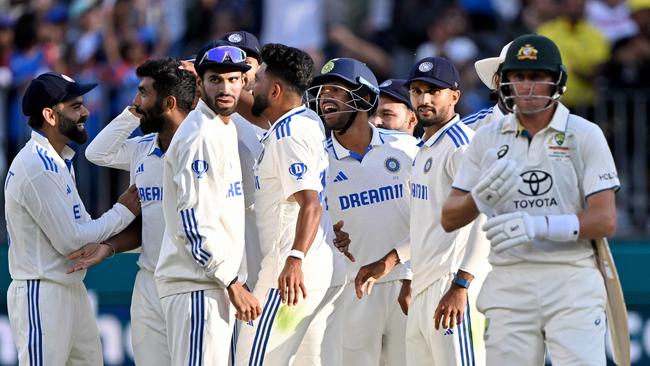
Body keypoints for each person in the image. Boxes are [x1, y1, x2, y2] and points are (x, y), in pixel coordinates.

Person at [442, 34, 619, 365]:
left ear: (557, 81)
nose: (527, 87)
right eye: (518, 77)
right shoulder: (485, 137)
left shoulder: (585, 134)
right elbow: (450, 217)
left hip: (571, 277)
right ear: (504, 81)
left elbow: (605, 220)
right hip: (509, 282)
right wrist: (479, 199)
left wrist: (538, 225)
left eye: (537, 76)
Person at [355, 57, 489, 366]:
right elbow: (429, 226)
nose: (424, 99)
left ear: (454, 96)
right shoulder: (426, 148)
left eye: (434, 91)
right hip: (424, 288)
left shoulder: (462, 147)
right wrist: (389, 262)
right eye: (417, 91)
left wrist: (462, 285)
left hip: (453, 287)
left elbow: (486, 218)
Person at [5, 72, 140, 365]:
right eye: (76, 106)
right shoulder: (37, 166)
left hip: (69, 289)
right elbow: (73, 241)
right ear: (50, 115)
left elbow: (83, 229)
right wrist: (123, 210)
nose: (86, 111)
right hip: (41, 293)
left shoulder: (59, 159)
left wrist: (101, 231)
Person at [70, 58, 197, 366]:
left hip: (192, 284)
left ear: (168, 101)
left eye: (142, 93)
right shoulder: (143, 148)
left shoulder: (202, 147)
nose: (136, 100)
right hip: (148, 281)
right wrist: (110, 247)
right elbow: (97, 152)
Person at [234, 43, 346, 366]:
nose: (252, 85)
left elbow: (311, 204)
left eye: (259, 78)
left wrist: (295, 259)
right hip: (310, 267)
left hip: (289, 271)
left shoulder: (289, 135)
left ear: (276, 90)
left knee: (250, 360)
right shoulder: (305, 120)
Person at [154, 43, 261, 366]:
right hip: (198, 285)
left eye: (233, 79)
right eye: (215, 79)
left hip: (210, 283)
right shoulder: (199, 134)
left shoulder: (222, 127)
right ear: (199, 84)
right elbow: (192, 222)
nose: (225, 88)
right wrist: (231, 282)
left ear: (244, 83)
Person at [310, 57, 419, 365]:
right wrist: (328, 234)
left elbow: (430, 217)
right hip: (351, 290)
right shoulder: (316, 158)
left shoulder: (406, 149)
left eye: (336, 90)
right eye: (321, 91)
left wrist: (408, 272)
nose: (325, 98)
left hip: (407, 283)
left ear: (365, 97)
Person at [462, 42, 512, 130]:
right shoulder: (467, 129)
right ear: (497, 80)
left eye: (534, 77)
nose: (525, 84)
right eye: (514, 76)